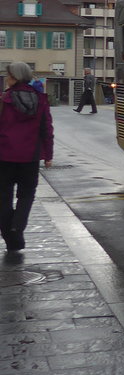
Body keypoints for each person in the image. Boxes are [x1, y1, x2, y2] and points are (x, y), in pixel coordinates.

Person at [0, 62, 54, 252]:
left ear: (14, 77)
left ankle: (11, 235)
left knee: (3, 197)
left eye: (8, 75)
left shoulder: (4, 100)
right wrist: (48, 154)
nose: (6, 79)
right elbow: (46, 129)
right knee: (26, 194)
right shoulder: (40, 99)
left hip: (4, 156)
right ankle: (18, 225)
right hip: (30, 157)